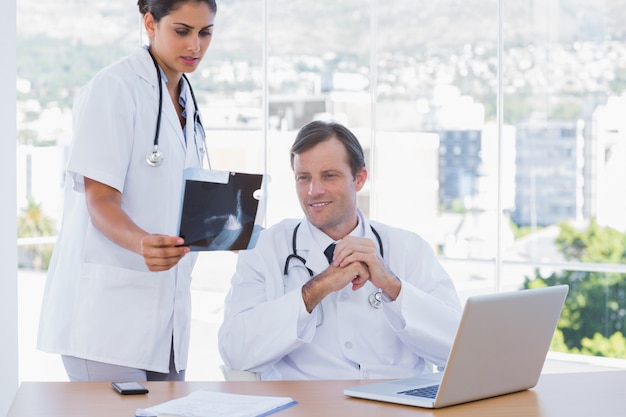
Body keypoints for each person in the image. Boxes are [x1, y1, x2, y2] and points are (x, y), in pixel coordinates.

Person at [37, 0, 218, 382]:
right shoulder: (114, 87)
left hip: (167, 318)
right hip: (107, 319)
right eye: (182, 31)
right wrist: (142, 242)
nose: (195, 47)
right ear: (150, 23)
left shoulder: (185, 99)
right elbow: (99, 200)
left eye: (205, 33)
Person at [218, 120, 463, 380]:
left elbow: (459, 347)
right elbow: (235, 352)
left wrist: (392, 286)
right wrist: (315, 289)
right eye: (304, 178)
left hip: (398, 405)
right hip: (305, 408)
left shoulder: (409, 249)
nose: (314, 191)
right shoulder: (265, 249)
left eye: (329, 175)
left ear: (359, 179)